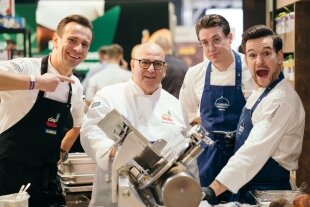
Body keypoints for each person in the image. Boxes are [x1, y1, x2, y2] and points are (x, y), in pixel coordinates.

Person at [203, 25, 305, 204]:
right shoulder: (262, 92)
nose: (259, 61)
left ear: (280, 57)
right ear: (246, 59)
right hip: (247, 187)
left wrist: (212, 190)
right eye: (252, 55)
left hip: (268, 193)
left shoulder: (280, 100)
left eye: (266, 53)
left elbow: (252, 153)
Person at [80, 43, 192, 206]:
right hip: (114, 192)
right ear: (132, 65)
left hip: (160, 196)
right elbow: (91, 131)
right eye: (144, 62)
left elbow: (187, 154)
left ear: (165, 69)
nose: (151, 69)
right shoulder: (108, 96)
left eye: (157, 64)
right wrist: (113, 151)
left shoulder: (175, 106)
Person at [0, 14, 93, 207]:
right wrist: (35, 82)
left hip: (45, 181)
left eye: (84, 44)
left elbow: (78, 124)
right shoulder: (26, 67)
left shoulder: (75, 86)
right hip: (7, 178)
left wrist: (61, 150)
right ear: (56, 40)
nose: (78, 48)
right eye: (72, 40)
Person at [179, 14, 254, 204]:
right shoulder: (195, 73)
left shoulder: (251, 68)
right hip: (208, 157)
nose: (211, 49)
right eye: (204, 43)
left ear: (230, 37)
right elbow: (185, 113)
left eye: (216, 40)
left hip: (243, 154)